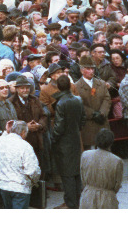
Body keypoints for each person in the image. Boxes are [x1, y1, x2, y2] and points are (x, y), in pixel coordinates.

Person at [51, 75, 84, 209]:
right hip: (75, 139)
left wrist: (54, 138)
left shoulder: (61, 103)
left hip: (64, 143)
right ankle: (77, 200)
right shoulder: (78, 100)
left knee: (67, 174)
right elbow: (83, 119)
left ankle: (71, 203)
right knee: (75, 173)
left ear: (58, 87)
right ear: (70, 85)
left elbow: (59, 126)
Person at [0, 120, 39, 209]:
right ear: (23, 132)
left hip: (4, 185)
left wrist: (6, 131)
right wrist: (34, 181)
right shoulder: (25, 146)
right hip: (20, 187)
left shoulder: (0, 142)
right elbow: (32, 170)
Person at [79, 129, 123, 208]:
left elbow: (83, 176)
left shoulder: (85, 155)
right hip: (107, 198)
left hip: (88, 196)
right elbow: (117, 184)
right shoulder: (117, 161)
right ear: (111, 142)